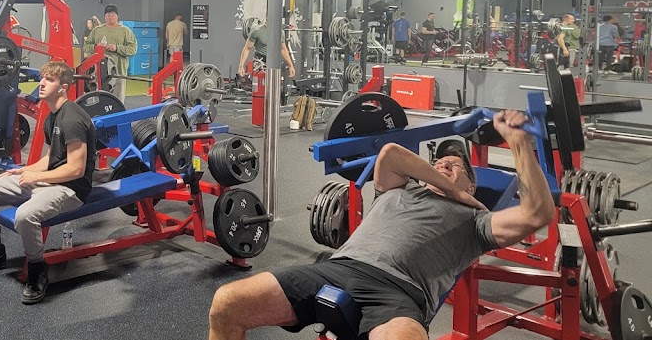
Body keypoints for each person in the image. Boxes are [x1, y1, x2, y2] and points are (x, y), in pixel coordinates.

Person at [207, 110, 556, 340]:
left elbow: (537, 214)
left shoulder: (476, 222)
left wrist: (518, 143)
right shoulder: (398, 186)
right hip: (339, 267)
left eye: (454, 167)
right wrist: (451, 185)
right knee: (227, 303)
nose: (443, 167)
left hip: (400, 294)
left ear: (473, 186)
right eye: (438, 164)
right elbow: (390, 152)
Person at [0, 61, 97, 305]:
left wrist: (37, 177)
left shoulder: (72, 118)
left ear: (63, 87)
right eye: (42, 78)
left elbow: (76, 169)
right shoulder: (52, 117)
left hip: (70, 189)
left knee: (25, 216)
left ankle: (37, 268)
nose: (41, 84)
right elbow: (50, 158)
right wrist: (24, 170)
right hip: (50, 180)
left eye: (49, 80)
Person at [83, 5, 137, 103]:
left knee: (117, 100)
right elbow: (86, 46)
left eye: (113, 15)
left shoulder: (125, 31)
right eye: (108, 15)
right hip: (98, 73)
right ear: (104, 16)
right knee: (98, 100)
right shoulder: (97, 30)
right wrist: (96, 46)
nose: (110, 17)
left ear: (117, 16)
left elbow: (133, 49)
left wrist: (117, 48)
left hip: (118, 73)